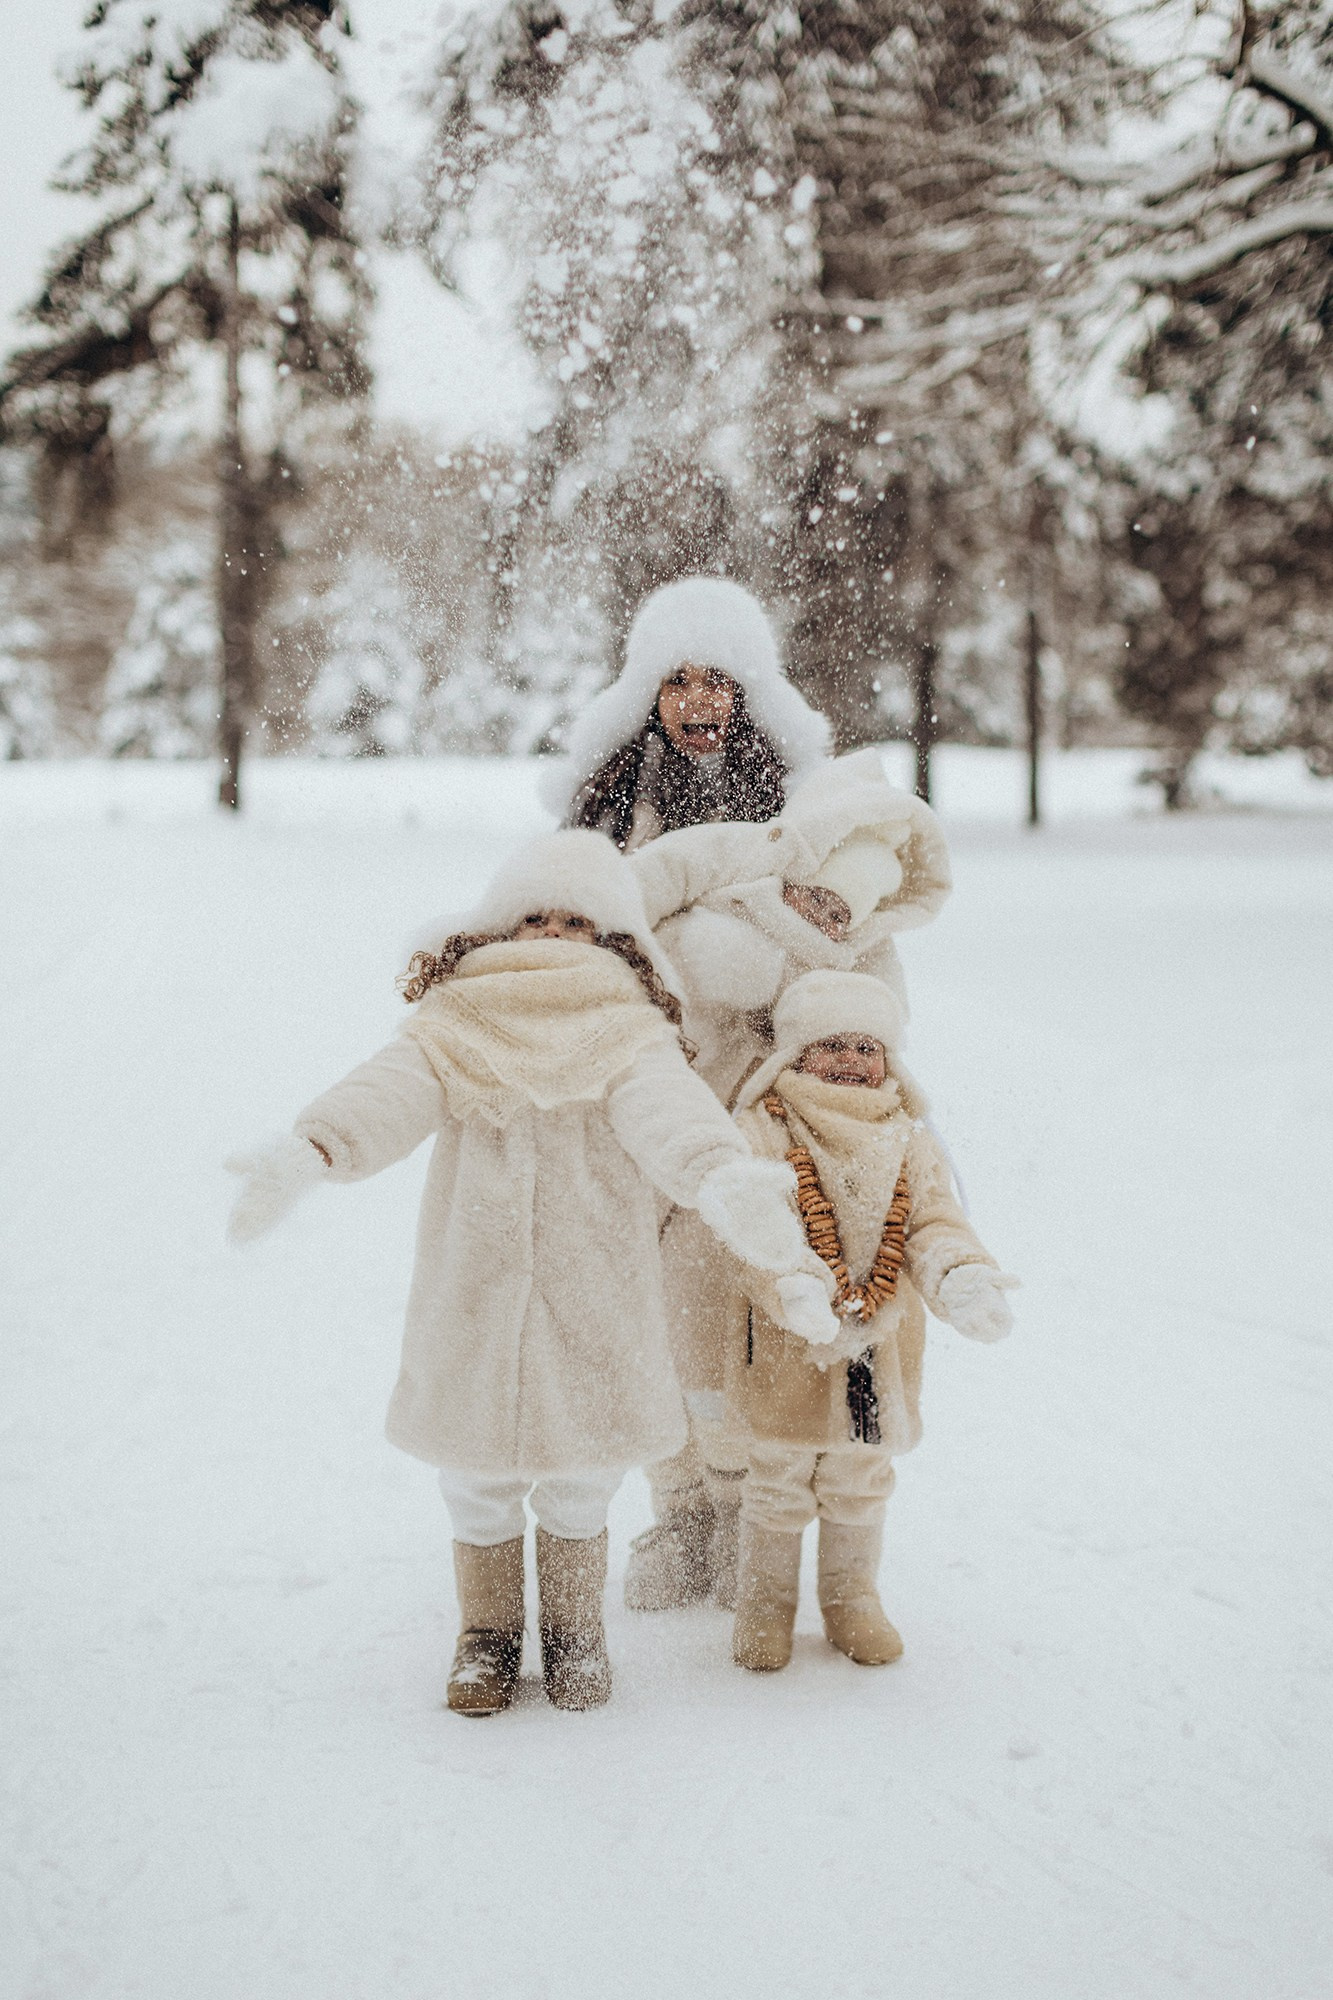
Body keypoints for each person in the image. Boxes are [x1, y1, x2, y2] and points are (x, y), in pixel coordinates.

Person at [225, 832, 835, 1717]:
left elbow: (669, 1115)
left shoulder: (632, 1029)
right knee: (475, 1476)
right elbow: (388, 1092)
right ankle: (487, 1635)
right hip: (474, 1283)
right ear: (497, 928)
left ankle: (576, 1632)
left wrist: (719, 1175)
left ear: (614, 938)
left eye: (575, 922)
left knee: (583, 1475)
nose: (552, 933)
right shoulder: (453, 1020)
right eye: (534, 917)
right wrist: (314, 1146)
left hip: (594, 1285)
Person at [684, 970, 1016, 1673]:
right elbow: (754, 1223)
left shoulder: (907, 1137)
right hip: (787, 1339)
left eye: (867, 1047)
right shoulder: (764, 1126)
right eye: (831, 1044)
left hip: (877, 1348)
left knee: (860, 1477)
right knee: (777, 1477)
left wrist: (960, 1275)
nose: (850, 1060)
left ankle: (851, 1598)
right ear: (795, 1052)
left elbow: (932, 1219)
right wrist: (792, 1285)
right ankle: (764, 1605)